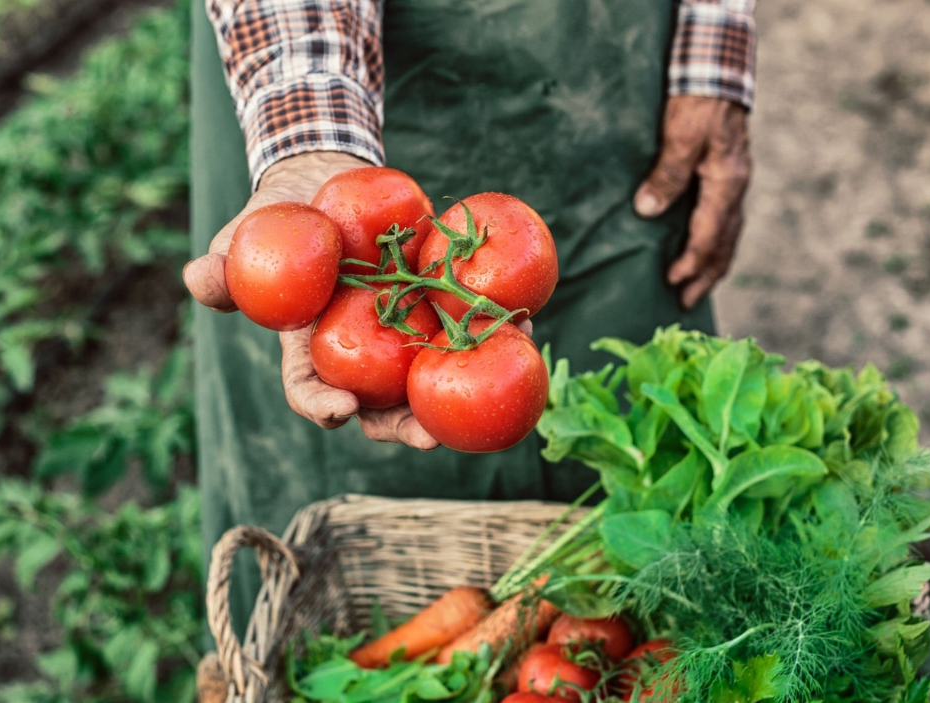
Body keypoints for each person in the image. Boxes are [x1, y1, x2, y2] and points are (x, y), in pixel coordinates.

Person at [185, 0, 756, 621]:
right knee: (330, 571)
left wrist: (713, 48)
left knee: (642, 454)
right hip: (314, 58)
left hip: (609, 76)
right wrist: (312, 150)